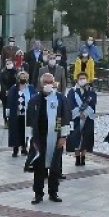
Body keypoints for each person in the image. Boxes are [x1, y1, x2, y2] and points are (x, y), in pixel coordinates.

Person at [27, 72, 71, 204]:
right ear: (41, 84)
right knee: (39, 168)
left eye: (50, 82)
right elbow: (29, 121)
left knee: (55, 167)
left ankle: (53, 192)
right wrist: (30, 139)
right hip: (40, 139)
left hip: (56, 137)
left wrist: (63, 136)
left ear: (54, 83)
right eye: (45, 82)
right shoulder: (35, 99)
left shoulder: (61, 99)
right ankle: (38, 194)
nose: (48, 85)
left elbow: (66, 118)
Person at [68, 72, 97, 167]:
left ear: (87, 79)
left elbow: (93, 103)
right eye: (80, 78)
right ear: (77, 79)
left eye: (84, 78)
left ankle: (83, 157)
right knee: (76, 137)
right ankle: (77, 158)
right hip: (76, 118)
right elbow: (70, 103)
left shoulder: (91, 91)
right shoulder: (72, 91)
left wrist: (85, 113)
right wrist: (78, 113)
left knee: (86, 137)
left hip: (87, 118)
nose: (82, 80)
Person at [6, 71, 34, 157]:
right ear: (18, 78)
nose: (23, 79)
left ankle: (24, 147)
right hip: (16, 114)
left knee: (25, 131)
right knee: (15, 131)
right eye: (21, 77)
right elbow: (9, 101)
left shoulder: (30, 88)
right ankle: (15, 148)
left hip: (26, 114)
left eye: (24, 77)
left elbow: (34, 99)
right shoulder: (14, 88)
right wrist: (8, 114)